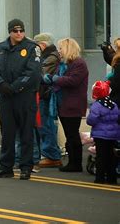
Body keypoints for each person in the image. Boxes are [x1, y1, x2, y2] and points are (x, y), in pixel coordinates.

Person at [0, 18, 41, 180]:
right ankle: (6, 167)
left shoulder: (32, 48)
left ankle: (26, 166)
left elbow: (32, 73)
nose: (19, 34)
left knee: (26, 133)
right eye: (15, 31)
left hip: (25, 97)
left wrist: (15, 87)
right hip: (6, 97)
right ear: (10, 32)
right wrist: (1, 84)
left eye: (21, 31)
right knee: (7, 133)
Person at [44, 38, 88, 172]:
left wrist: (55, 79)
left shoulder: (79, 63)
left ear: (68, 49)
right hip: (63, 103)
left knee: (72, 134)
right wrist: (50, 79)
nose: (59, 51)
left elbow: (73, 81)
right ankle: (72, 162)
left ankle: (76, 163)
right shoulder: (64, 64)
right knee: (70, 135)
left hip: (73, 104)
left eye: (61, 48)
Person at [33, 33, 63, 168]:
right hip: (44, 94)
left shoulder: (50, 57)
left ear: (43, 44)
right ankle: (50, 153)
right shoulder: (52, 56)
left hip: (45, 95)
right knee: (45, 125)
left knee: (45, 125)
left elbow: (40, 73)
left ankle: (51, 155)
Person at [86, 81, 120, 184]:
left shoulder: (97, 106)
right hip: (113, 135)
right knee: (111, 156)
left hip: (100, 136)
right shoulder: (114, 104)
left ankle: (100, 178)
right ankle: (112, 178)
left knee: (101, 157)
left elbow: (91, 120)